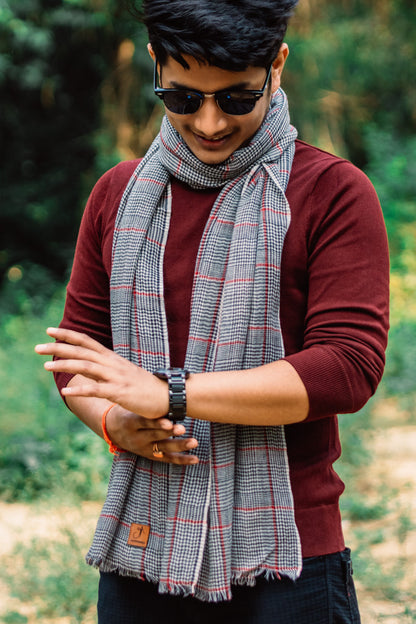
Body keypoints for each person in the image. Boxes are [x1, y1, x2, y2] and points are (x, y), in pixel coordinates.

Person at [35, 1, 389, 622]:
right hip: (143, 551)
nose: (208, 122)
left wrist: (168, 394)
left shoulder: (332, 192)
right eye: (181, 96)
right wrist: (116, 423)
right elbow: (78, 356)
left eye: (234, 99)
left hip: (288, 557)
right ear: (155, 64)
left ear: (276, 66)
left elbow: (346, 367)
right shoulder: (118, 194)